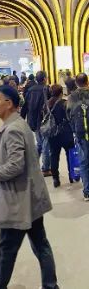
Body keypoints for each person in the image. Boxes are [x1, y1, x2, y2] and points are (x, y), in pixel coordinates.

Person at [0, 84, 57, 289]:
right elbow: (20, 160)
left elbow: (16, 165)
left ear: (9, 103)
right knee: (41, 244)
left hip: (19, 201)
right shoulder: (19, 124)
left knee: (6, 247)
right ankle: (50, 285)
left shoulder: (13, 128)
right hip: (32, 197)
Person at [43, 84, 76, 188]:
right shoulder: (65, 104)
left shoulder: (46, 105)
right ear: (61, 93)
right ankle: (72, 175)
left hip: (53, 134)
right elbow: (70, 117)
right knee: (69, 155)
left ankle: (55, 179)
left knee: (54, 155)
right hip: (66, 133)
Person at [21, 72, 50, 175]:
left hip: (33, 120)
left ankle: (33, 165)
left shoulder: (30, 90)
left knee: (40, 143)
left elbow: (25, 106)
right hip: (44, 120)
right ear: (44, 79)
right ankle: (45, 168)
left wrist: (21, 119)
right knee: (45, 144)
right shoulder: (46, 89)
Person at [67, 73, 89, 201]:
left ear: (76, 83)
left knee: (84, 162)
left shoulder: (72, 97)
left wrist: (74, 130)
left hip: (80, 134)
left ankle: (87, 192)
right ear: (87, 82)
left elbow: (68, 115)